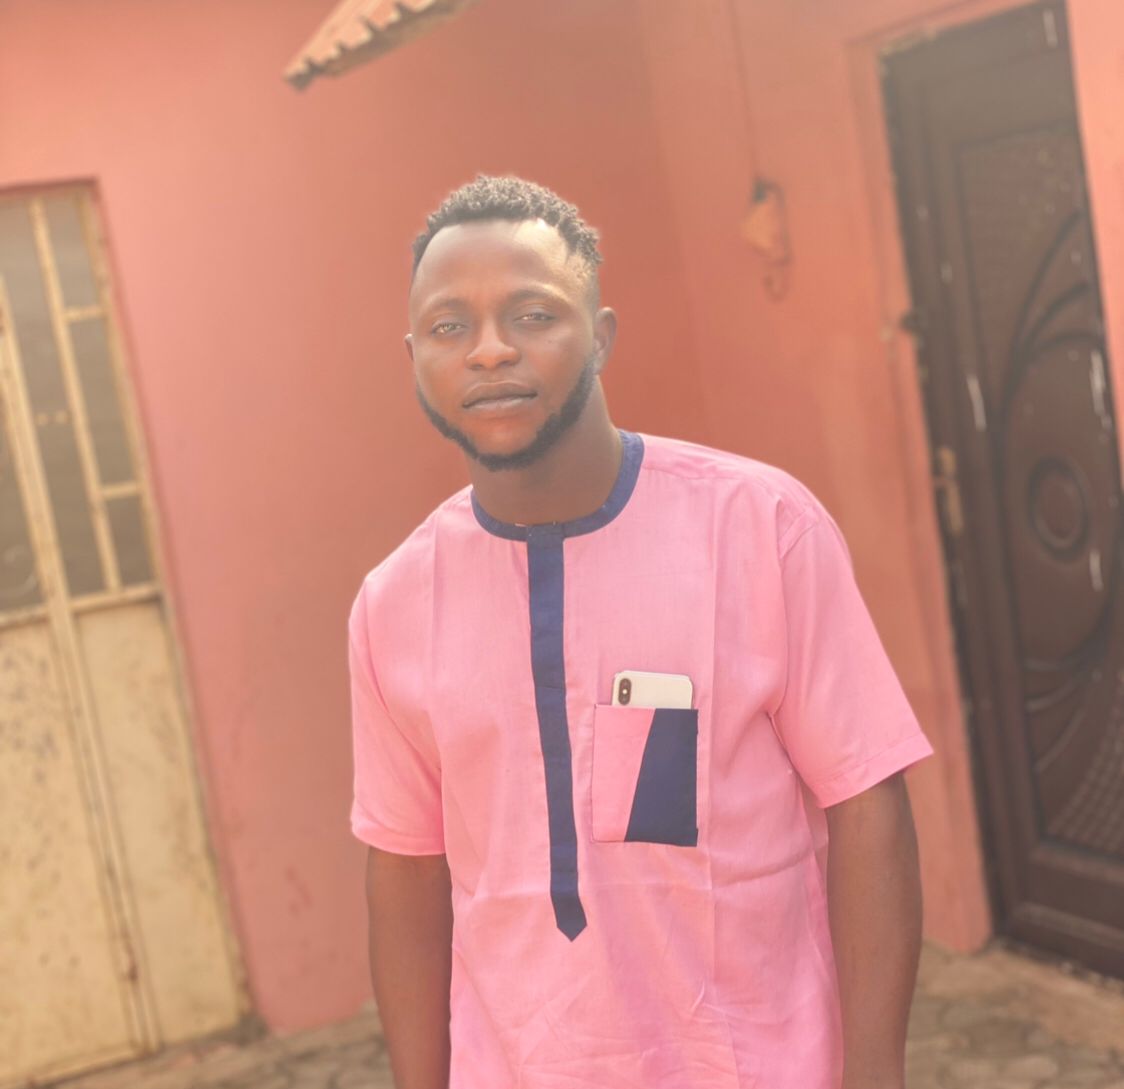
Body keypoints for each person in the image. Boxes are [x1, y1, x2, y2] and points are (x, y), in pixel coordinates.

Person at [348, 175, 932, 1089]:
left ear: (601, 335)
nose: (490, 349)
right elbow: (406, 871)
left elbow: (866, 800)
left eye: (533, 314)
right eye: (450, 325)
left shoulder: (760, 528)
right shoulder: (393, 602)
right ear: (416, 355)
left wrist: (874, 1074)